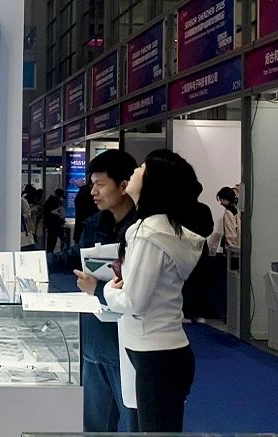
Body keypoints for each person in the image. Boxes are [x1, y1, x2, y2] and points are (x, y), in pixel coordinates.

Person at [94, 149, 205, 432]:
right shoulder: (163, 229)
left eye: (141, 168)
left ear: (154, 182)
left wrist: (107, 291)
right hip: (159, 350)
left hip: (155, 353)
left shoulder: (148, 233)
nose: (135, 171)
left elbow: (135, 301)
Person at [48, 149, 139, 432]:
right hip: (95, 335)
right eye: (91, 185)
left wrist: (97, 288)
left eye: (100, 184)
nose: (93, 192)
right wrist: (32, 263)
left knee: (135, 423)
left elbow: (141, 290)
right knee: (95, 423)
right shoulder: (95, 223)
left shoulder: (142, 230)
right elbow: (74, 257)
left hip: (129, 340)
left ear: (123, 185)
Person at [180, 184, 214, 324]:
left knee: (186, 281)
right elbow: (209, 228)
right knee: (201, 281)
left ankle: (186, 312)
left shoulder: (181, 209)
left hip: (185, 247)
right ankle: (199, 313)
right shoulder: (204, 209)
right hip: (200, 247)